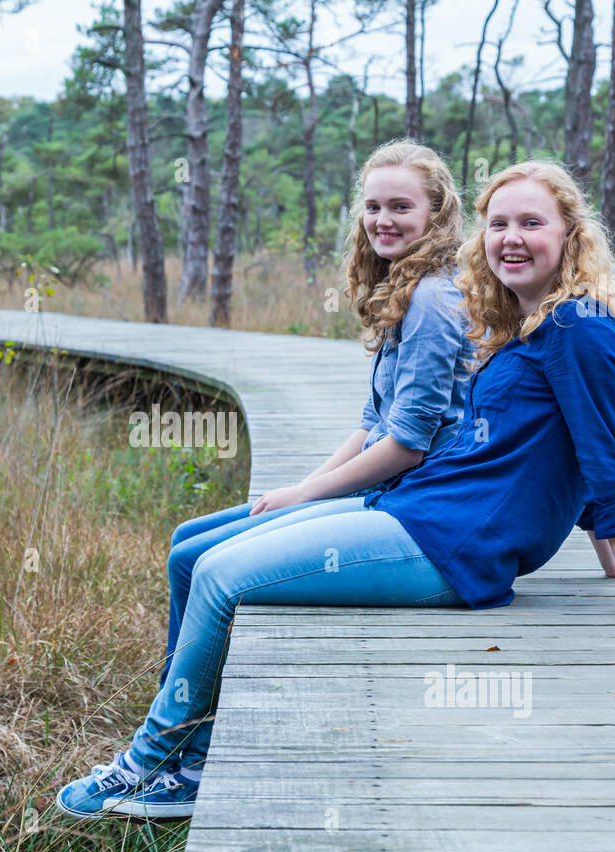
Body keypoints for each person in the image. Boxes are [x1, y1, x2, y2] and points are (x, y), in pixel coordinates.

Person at [56, 159, 615, 822]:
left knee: (219, 575)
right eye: (499, 223)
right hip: (418, 509)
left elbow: (603, 456)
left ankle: (148, 764)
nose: (512, 238)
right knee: (200, 559)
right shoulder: (528, 325)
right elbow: (566, 452)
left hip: (453, 545)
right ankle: (188, 762)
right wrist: (611, 556)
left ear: (570, 236)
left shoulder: (578, 328)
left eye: (532, 222)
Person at [159, 140, 474, 692]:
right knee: (187, 542)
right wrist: (305, 485)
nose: (383, 220)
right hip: (385, 479)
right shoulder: (402, 287)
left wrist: (307, 497)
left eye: (401, 207)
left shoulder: (431, 299)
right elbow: (372, 422)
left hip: (410, 497)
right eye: (373, 207)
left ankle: (180, 738)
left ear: (436, 213)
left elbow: (407, 445)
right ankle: (175, 701)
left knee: (198, 562)